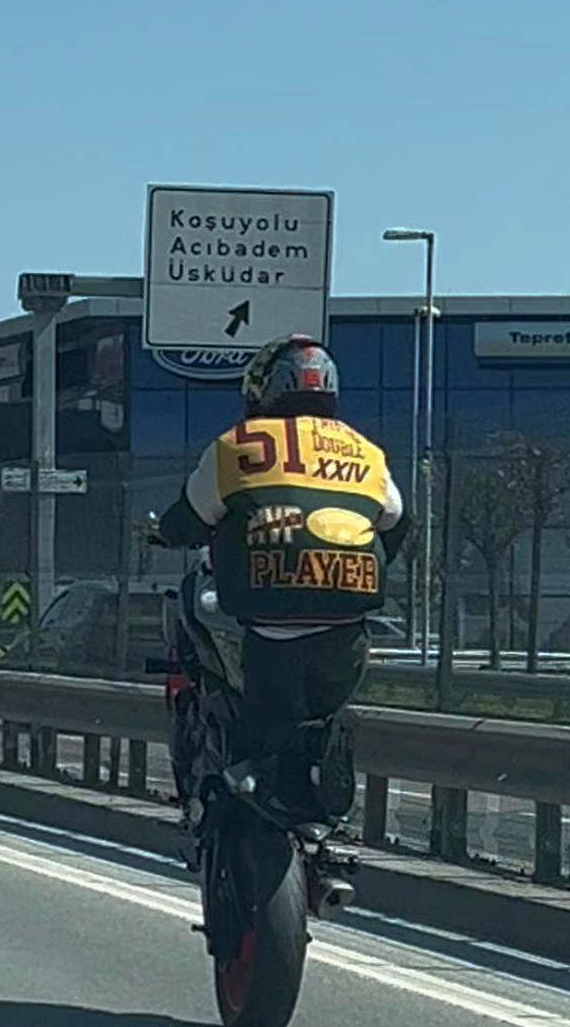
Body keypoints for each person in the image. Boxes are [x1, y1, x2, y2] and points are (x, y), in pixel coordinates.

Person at [157, 334, 409, 824]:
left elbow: (187, 521)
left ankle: (243, 767)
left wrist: (167, 533)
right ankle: (320, 761)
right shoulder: (366, 452)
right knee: (321, 705)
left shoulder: (236, 446)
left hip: (264, 624)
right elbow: (396, 521)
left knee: (240, 689)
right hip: (347, 625)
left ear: (261, 389)